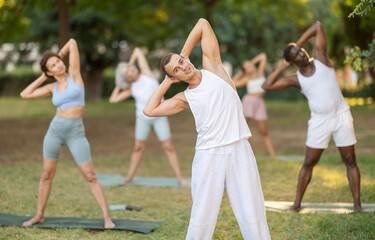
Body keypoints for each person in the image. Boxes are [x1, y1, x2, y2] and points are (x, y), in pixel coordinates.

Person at [144, 18, 270, 240]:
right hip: (209, 154)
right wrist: (167, 82)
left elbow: (202, 24)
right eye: (177, 70)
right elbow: (150, 110)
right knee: (202, 214)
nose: (184, 67)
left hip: (240, 148)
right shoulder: (186, 97)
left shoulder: (213, 67)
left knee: (252, 210)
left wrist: (183, 55)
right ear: (176, 77)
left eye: (182, 61)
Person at [262, 21, 363, 212]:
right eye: (296, 55)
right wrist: (283, 66)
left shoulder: (321, 58)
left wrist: (297, 44)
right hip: (319, 121)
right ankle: (297, 204)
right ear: (292, 62)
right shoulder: (296, 79)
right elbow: (267, 86)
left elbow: (317, 26)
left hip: (342, 116)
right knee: (309, 162)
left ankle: (357, 205)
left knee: (350, 160)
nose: (301, 54)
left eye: (300, 51)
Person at [20, 38, 115, 228]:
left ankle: (107, 218)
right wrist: (43, 76)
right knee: (47, 174)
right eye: (53, 65)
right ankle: (39, 215)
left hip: (75, 133)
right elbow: (25, 94)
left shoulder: (75, 75)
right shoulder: (51, 87)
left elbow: (72, 42)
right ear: (49, 71)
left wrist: (58, 55)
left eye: (58, 62)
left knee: (90, 176)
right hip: (55, 131)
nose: (58, 65)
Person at [109, 48, 187, 186]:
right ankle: (129, 177)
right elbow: (113, 99)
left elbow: (138, 51)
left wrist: (128, 65)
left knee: (168, 147)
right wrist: (119, 84)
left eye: (131, 68)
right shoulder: (131, 88)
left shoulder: (147, 73)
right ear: (126, 78)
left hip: (159, 116)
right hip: (142, 119)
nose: (131, 70)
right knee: (138, 148)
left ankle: (180, 179)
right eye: (128, 72)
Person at [232, 53, 276, 159]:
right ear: (245, 70)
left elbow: (263, 56)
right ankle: (239, 154)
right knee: (242, 129)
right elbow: (233, 83)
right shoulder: (247, 78)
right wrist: (241, 73)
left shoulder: (260, 72)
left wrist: (251, 62)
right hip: (248, 102)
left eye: (250, 64)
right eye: (246, 67)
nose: (250, 67)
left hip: (259, 103)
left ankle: (273, 155)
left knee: (264, 131)